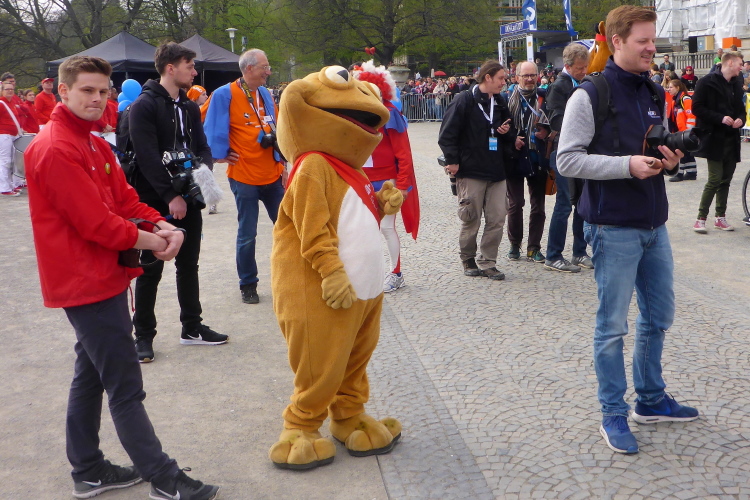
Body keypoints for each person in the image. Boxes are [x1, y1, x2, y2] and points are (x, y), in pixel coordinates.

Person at [24, 55, 219, 500]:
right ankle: (164, 478)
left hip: (102, 275)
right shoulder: (55, 147)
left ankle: (88, 468)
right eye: (87, 90)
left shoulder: (90, 142)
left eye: (102, 91)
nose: (97, 98)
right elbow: (97, 223)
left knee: (91, 373)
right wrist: (157, 240)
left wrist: (162, 224)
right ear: (63, 91)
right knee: (125, 385)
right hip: (84, 280)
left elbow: (125, 199)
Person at [557, 5, 699, 455]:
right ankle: (613, 413)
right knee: (612, 326)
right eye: (643, 40)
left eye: (653, 39)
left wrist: (668, 161)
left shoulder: (653, 89)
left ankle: (651, 400)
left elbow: (654, 147)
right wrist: (626, 166)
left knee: (659, 316)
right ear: (617, 41)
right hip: (612, 225)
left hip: (654, 222)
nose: (651, 47)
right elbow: (567, 159)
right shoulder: (590, 94)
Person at [129, 41, 228, 363]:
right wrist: (170, 196)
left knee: (189, 265)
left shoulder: (188, 107)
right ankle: (143, 335)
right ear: (170, 68)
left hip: (189, 195)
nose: (194, 72)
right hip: (153, 201)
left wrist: (201, 176)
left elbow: (202, 147)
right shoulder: (144, 105)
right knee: (150, 268)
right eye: (190, 66)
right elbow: (146, 157)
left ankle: (192, 327)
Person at [204, 48, 285, 304]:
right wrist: (218, 153)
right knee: (248, 234)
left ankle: (290, 278)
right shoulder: (224, 94)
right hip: (244, 176)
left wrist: (283, 165)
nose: (268, 72)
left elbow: (278, 128)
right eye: (264, 67)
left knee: (287, 229)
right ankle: (248, 284)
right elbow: (207, 124)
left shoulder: (265, 93)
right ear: (249, 69)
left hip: (273, 175)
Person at [438, 60, 514, 281]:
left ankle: (488, 261)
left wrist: (506, 132)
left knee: (497, 218)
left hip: (496, 169)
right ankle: (468, 258)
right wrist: (452, 161)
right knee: (471, 217)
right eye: (501, 78)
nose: (504, 82)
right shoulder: (464, 100)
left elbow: (510, 131)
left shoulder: (499, 101)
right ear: (487, 77)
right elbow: (447, 134)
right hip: (471, 170)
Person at [354, 60, 421, 292]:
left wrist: (402, 185)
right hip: (362, 178)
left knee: (386, 228)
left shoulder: (390, 114)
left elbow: (404, 154)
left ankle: (396, 273)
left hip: (386, 181)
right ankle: (369, 271)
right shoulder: (355, 114)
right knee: (363, 228)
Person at [543, 43, 593, 273]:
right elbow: (555, 120)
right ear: (568, 66)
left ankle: (579, 252)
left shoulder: (584, 83)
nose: (584, 71)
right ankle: (553, 255)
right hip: (563, 151)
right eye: (580, 68)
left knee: (582, 203)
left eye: (585, 67)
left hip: (582, 151)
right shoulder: (559, 86)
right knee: (564, 204)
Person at [691, 50, 745, 233]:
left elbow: (741, 110)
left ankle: (720, 217)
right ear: (730, 63)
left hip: (731, 138)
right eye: (740, 63)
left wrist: (740, 120)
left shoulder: (736, 84)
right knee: (714, 179)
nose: (742, 67)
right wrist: (720, 118)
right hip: (713, 137)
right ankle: (700, 218)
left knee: (726, 180)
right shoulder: (706, 82)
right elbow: (696, 108)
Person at [506, 60, 550, 263]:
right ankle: (515, 244)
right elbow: (499, 127)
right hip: (514, 157)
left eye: (533, 75)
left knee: (538, 206)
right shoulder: (506, 98)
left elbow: (556, 121)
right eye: (526, 76)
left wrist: (548, 132)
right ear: (517, 78)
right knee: (515, 204)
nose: (530, 79)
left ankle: (534, 248)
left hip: (537, 156)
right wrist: (511, 138)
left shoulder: (545, 97)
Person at [187, 84, 217, 214]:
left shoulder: (203, 109)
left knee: (209, 173)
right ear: (195, 96)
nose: (206, 96)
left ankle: (212, 202)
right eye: (203, 94)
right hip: (193, 148)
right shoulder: (191, 109)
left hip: (204, 147)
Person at [666, 79, 697, 182]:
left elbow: (691, 116)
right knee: (686, 152)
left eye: (671, 87)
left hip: (684, 131)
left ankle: (679, 174)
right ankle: (691, 172)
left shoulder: (685, 99)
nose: (669, 89)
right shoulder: (676, 100)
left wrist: (689, 131)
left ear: (678, 88)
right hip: (679, 131)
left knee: (680, 152)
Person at [0, 82, 23, 196]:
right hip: (4, 135)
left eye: (11, 89)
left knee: (12, 162)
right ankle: (4, 188)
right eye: (7, 89)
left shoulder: (12, 103)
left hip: (13, 135)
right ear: (2, 91)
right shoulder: (1, 103)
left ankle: (10, 185)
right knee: (5, 161)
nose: (10, 91)